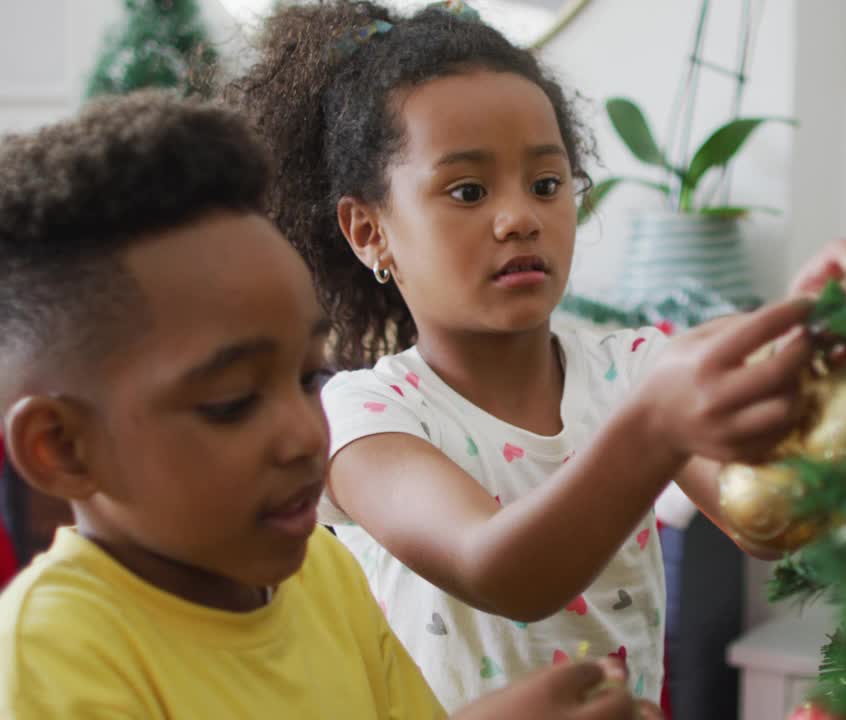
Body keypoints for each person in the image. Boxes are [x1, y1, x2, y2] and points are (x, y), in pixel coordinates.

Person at [229, 1, 846, 711]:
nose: (520, 217)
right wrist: (654, 428)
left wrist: (814, 350)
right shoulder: (363, 418)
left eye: (546, 184)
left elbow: (769, 519)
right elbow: (501, 570)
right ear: (368, 230)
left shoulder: (633, 369)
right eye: (468, 191)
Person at [0, 90, 659, 720]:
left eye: (308, 378)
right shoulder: (51, 651)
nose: (302, 435)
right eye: (231, 403)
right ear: (60, 447)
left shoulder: (324, 574)